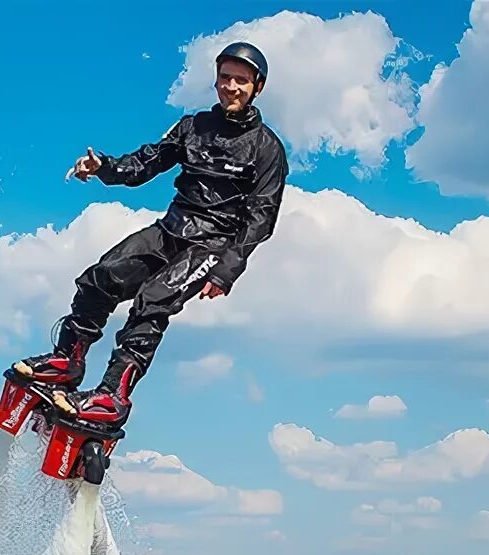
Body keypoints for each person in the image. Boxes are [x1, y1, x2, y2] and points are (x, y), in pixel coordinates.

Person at [15, 41, 288, 428]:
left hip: (211, 245)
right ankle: (68, 361)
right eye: (225, 77)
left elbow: (262, 217)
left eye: (241, 81)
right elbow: (147, 162)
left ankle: (111, 396)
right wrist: (104, 167)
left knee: (151, 303)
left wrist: (226, 270)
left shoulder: (267, 149)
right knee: (102, 276)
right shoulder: (192, 127)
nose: (231, 86)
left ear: (257, 87)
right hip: (170, 230)